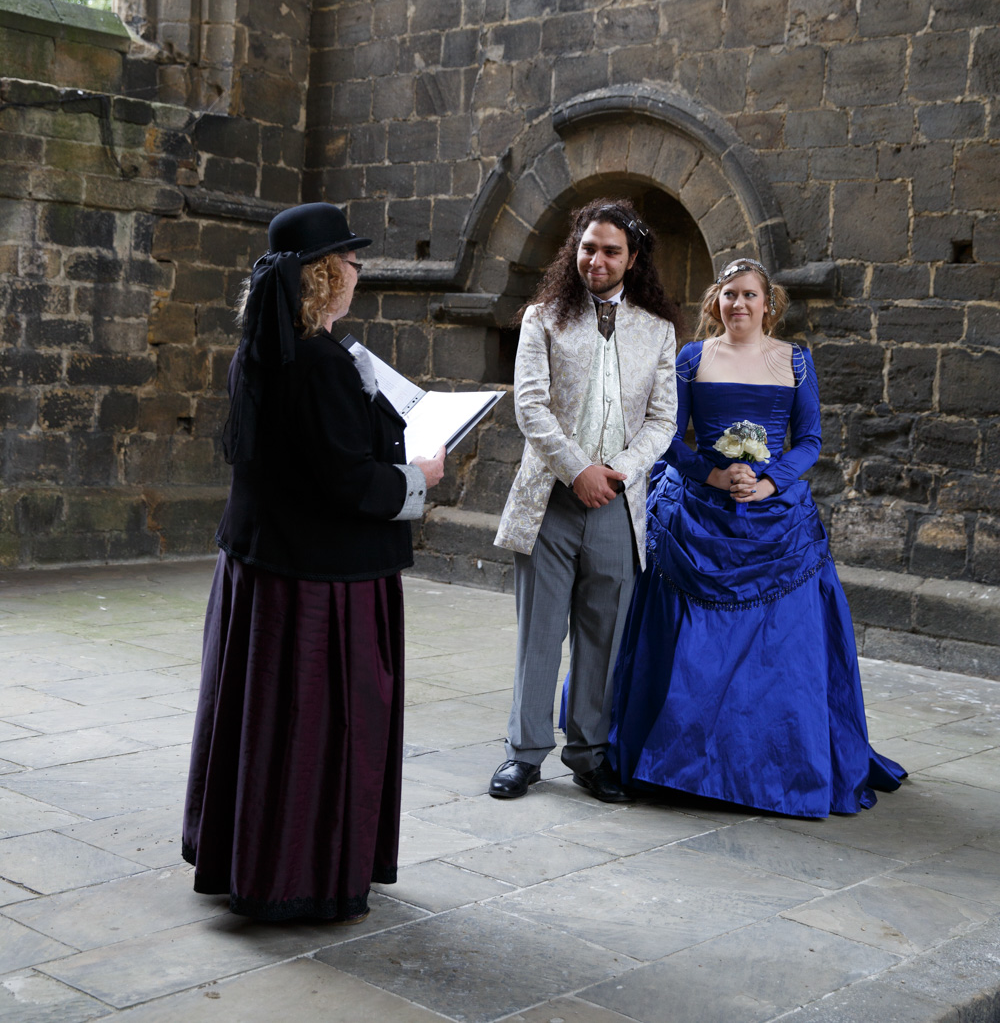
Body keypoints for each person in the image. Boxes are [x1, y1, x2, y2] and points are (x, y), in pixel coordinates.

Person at [182, 202, 445, 922]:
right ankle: (299, 875)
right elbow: (347, 482)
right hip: (318, 587)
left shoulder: (263, 348)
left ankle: (251, 857)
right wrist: (421, 475)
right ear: (327, 275)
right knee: (315, 725)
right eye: (354, 263)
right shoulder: (321, 364)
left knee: (260, 720)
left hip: (262, 570)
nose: (360, 273)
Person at [610, 257, 905, 817]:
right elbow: (666, 434)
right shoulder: (693, 358)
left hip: (775, 513)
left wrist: (769, 483)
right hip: (698, 511)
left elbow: (811, 439)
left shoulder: (794, 360)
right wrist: (712, 473)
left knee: (779, 648)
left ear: (768, 302)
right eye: (728, 295)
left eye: (748, 295)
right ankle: (675, 760)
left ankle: (776, 765)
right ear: (715, 303)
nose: (738, 304)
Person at [490, 200, 680, 802]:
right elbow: (530, 407)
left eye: (611, 251)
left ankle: (589, 753)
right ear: (575, 250)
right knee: (539, 633)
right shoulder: (542, 318)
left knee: (604, 633)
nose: (596, 260)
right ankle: (524, 754)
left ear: (632, 259)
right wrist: (577, 471)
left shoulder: (658, 329)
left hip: (617, 506)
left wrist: (616, 473)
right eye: (588, 247)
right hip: (551, 498)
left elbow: (663, 419)